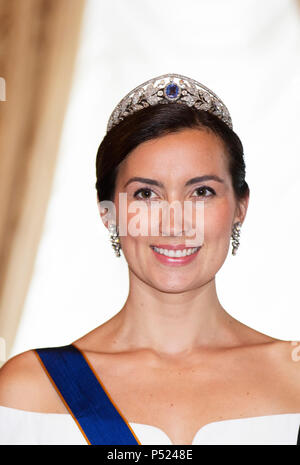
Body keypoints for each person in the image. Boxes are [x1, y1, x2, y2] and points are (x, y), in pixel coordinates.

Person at [0, 73, 299, 445]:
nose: (174, 224)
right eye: (145, 194)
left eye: (201, 191)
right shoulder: (30, 391)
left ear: (240, 206)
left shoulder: (294, 379)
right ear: (108, 211)